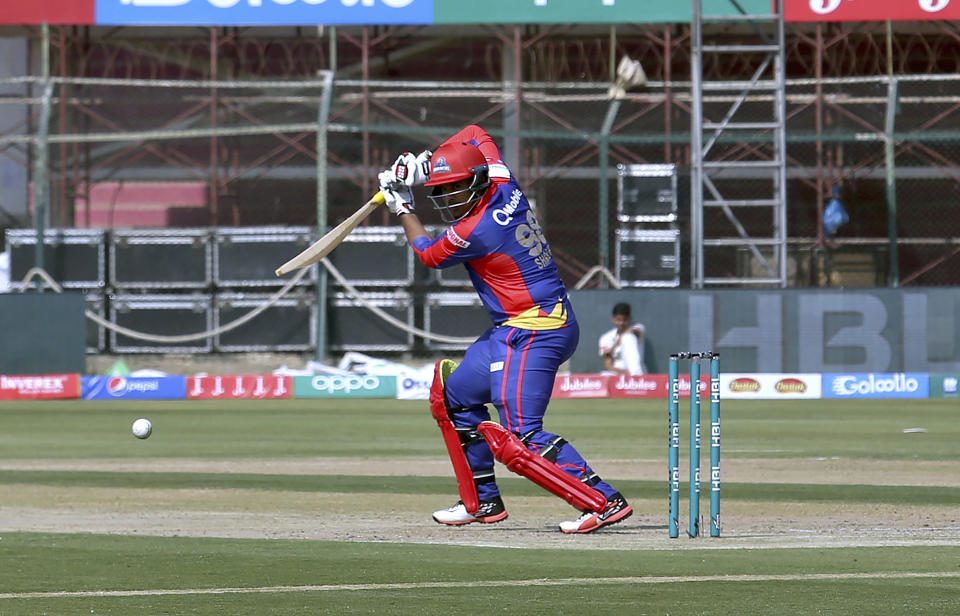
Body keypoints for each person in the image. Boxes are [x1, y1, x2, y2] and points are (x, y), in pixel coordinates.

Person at [376, 125, 632, 534]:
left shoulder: (473, 231)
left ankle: (601, 499)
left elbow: (426, 254)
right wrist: (430, 162)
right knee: (453, 399)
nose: (447, 199)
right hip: (513, 329)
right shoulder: (502, 180)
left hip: (536, 331)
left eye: (457, 188)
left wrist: (403, 205)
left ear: (476, 183)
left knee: (519, 436)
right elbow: (475, 132)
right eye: (442, 190)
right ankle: (481, 502)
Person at [598, 302, 646, 376]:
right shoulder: (605, 338)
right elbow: (608, 366)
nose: (621, 323)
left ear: (630, 318)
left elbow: (633, 332)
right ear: (612, 319)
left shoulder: (638, 328)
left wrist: (613, 347)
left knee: (627, 337)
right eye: (618, 320)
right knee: (603, 375)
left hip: (637, 371)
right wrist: (626, 372)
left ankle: (636, 377)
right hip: (618, 373)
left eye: (624, 320)